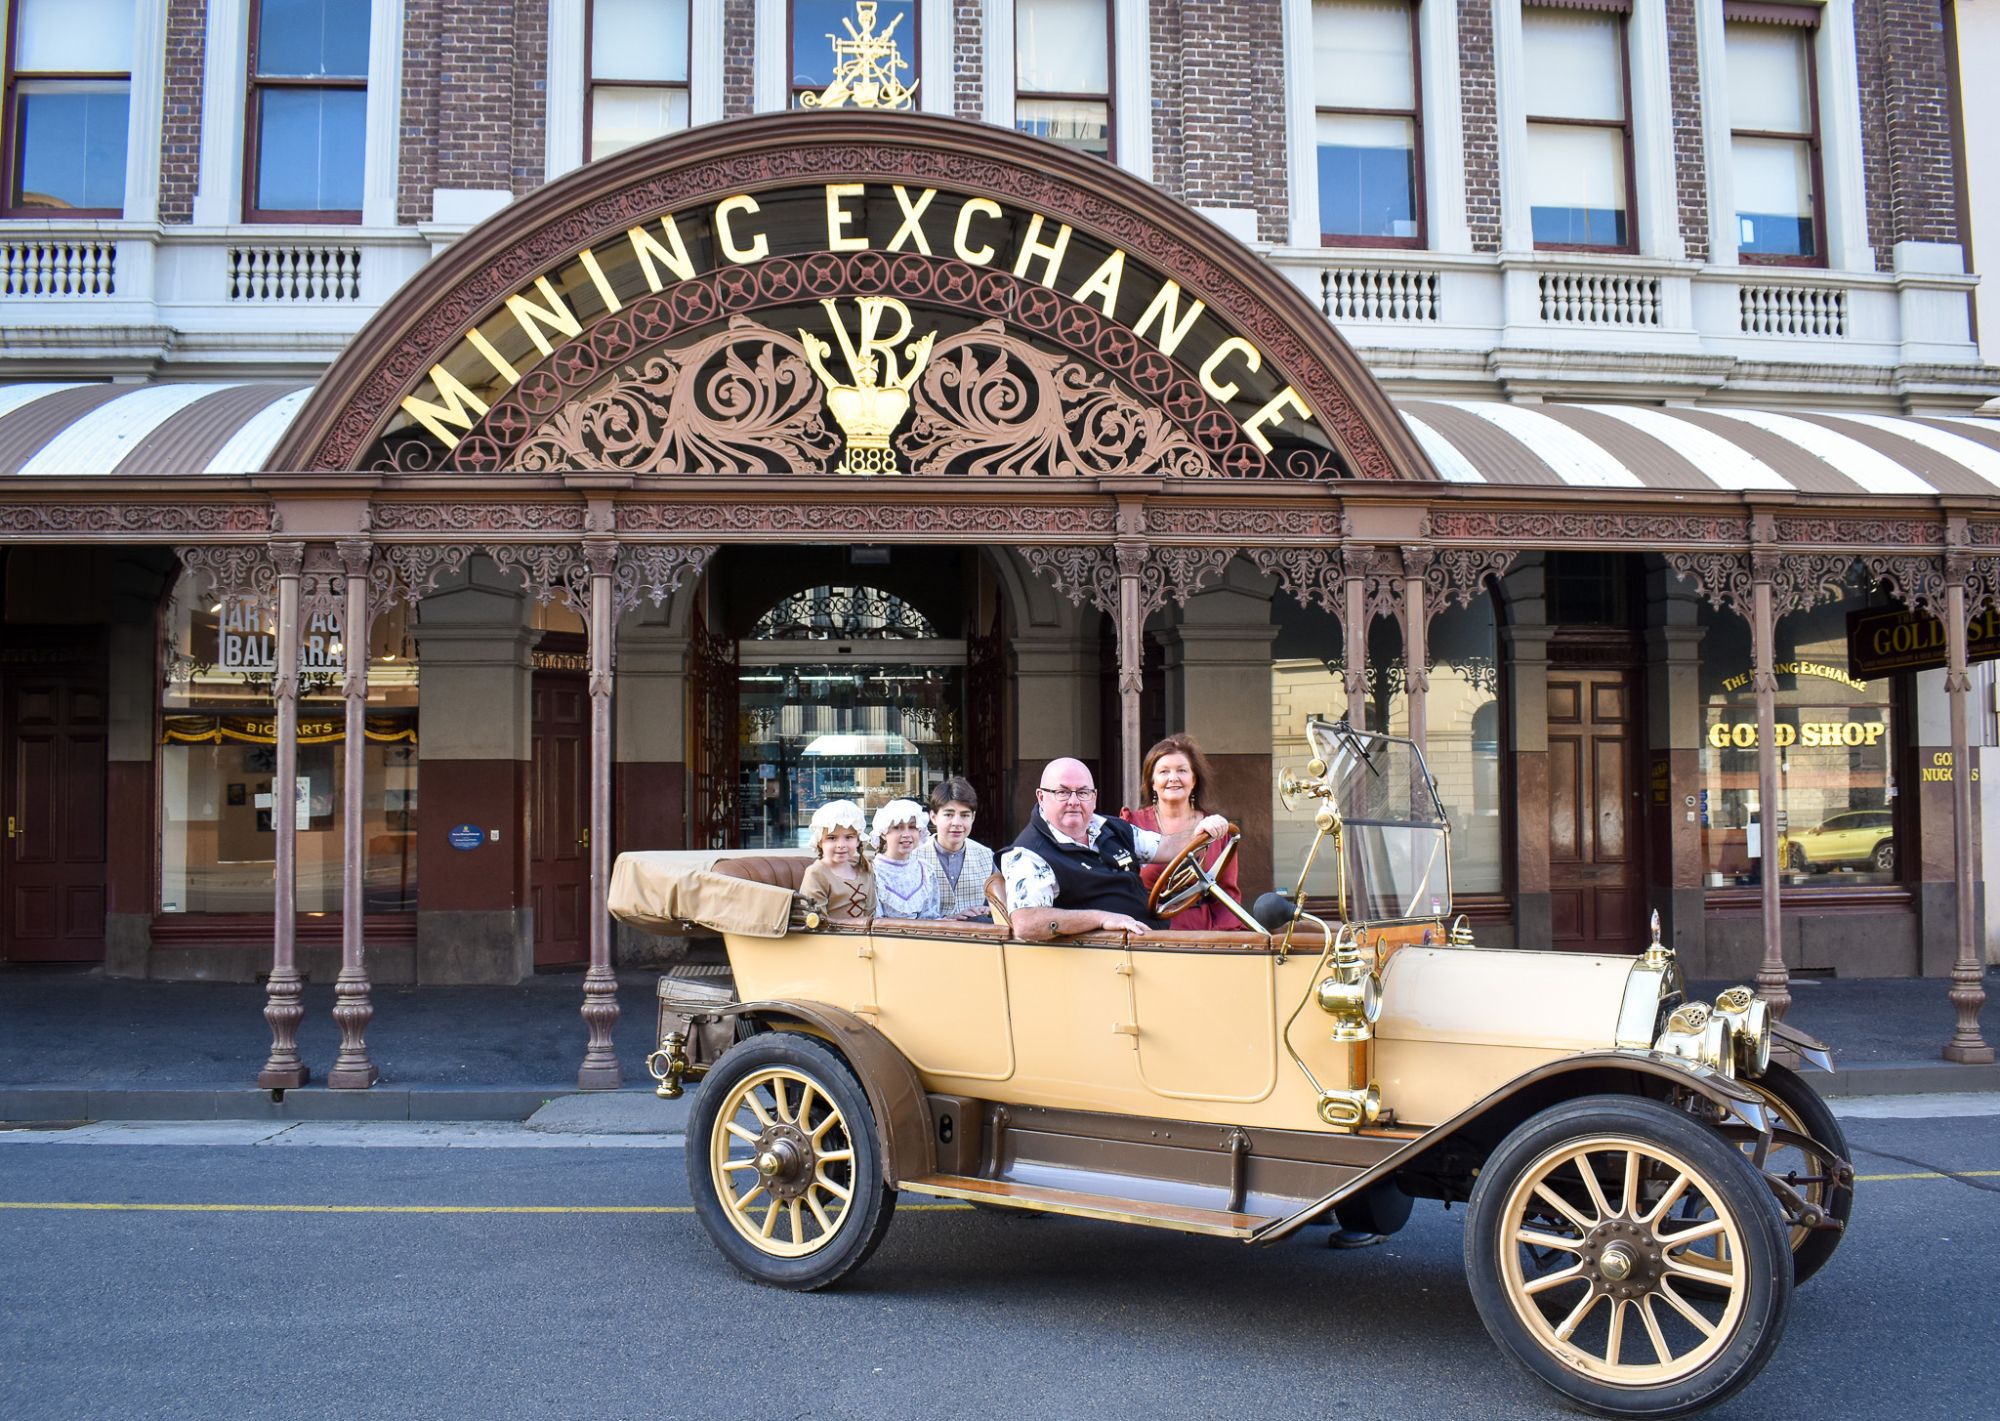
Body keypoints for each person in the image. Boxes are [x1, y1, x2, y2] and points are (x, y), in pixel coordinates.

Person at [1001, 757, 1229, 940]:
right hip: (1101, 962)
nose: (1073, 801)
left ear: (1094, 797)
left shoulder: (1110, 828)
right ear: (1041, 797)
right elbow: (1026, 923)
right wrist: (1101, 919)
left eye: (1082, 792)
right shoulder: (1028, 854)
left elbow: (1167, 847)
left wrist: (1202, 830)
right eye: (1062, 792)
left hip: (1151, 943)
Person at [1123, 733, 1242, 931]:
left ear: (1194, 779)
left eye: (1182, 770)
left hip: (1202, 935)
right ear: (1152, 781)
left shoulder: (1217, 830)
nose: (1173, 778)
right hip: (1147, 933)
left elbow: (1227, 897)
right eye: (1163, 771)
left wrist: (1223, 943)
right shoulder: (1131, 825)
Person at [914, 777, 996, 920]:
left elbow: (1001, 906)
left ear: (973, 817)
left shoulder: (987, 856)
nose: (957, 823)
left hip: (977, 939)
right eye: (948, 815)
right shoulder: (914, 858)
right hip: (929, 939)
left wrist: (989, 910)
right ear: (933, 817)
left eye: (964, 815)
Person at [799, 800, 875, 923]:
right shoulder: (816, 873)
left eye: (848, 837)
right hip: (830, 939)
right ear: (820, 842)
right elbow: (816, 920)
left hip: (863, 939)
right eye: (832, 838)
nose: (841, 845)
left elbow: (870, 912)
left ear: (858, 840)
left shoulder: (864, 871)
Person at [871, 799, 941, 919]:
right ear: (884, 832)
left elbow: (931, 917)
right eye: (898, 827)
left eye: (913, 827)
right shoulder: (873, 872)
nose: (906, 834)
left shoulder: (926, 871)